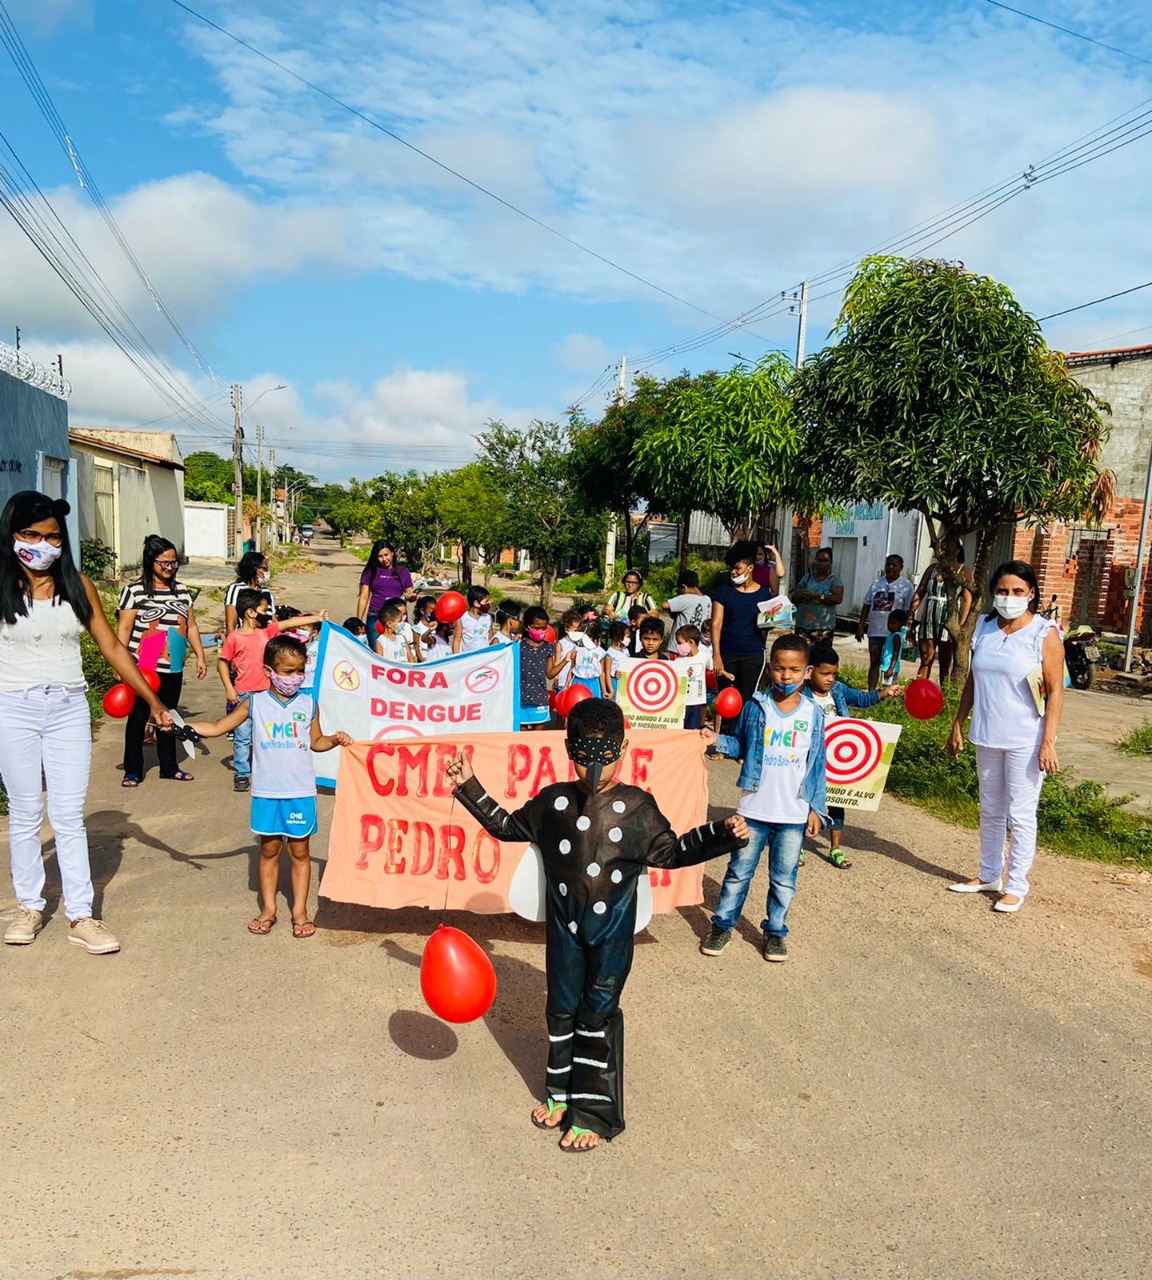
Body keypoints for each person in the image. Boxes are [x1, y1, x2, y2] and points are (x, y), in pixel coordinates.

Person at [446, 697, 747, 1150]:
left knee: (597, 1014)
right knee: (561, 1008)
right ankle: (559, 1093)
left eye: (605, 756)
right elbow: (509, 827)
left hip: (612, 935)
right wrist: (469, 786)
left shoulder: (638, 807)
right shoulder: (554, 802)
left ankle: (592, 1110)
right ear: (569, 749)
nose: (595, 767)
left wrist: (721, 833)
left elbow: (671, 853)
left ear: (623, 748)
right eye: (585, 755)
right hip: (564, 929)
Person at [0, 493, 173, 953]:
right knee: (24, 813)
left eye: (52, 536)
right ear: (12, 534)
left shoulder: (77, 585)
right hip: (12, 707)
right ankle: (29, 908)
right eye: (31, 535)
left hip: (67, 710)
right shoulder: (0, 586)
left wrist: (152, 700)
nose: (43, 544)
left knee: (67, 816)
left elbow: (114, 649)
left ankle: (82, 916)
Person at [188, 634, 352, 937]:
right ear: (268, 671)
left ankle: (300, 913)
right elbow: (215, 728)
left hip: (301, 793)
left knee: (300, 853)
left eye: (300, 671)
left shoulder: (309, 703)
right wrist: (182, 726)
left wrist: (334, 740)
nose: (295, 678)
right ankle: (268, 910)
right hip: (267, 794)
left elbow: (315, 741)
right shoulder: (254, 703)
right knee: (269, 851)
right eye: (288, 672)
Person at [701, 633, 828, 962]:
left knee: (784, 879)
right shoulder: (757, 707)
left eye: (795, 670)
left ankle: (774, 932)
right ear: (770, 668)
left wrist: (816, 808)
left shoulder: (814, 715)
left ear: (808, 670)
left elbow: (817, 766)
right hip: (753, 809)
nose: (787, 677)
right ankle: (723, 925)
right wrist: (715, 739)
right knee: (738, 871)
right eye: (780, 669)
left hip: (793, 814)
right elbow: (740, 746)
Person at [946, 561, 1064, 914]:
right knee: (991, 809)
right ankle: (988, 874)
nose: (1009, 598)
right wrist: (958, 723)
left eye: (1016, 592)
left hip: (1026, 739)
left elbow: (1056, 691)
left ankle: (1016, 885)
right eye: (1002, 591)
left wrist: (1048, 741)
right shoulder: (984, 627)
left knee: (1021, 813)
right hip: (987, 733)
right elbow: (973, 681)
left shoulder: (1044, 633)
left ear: (1030, 594)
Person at [117, 535, 208, 786]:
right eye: (164, 563)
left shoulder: (183, 592)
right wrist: (119, 663)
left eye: (173, 563)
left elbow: (191, 626)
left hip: (173, 662)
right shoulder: (134, 591)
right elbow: (124, 628)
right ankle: (133, 770)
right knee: (139, 717)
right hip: (143, 663)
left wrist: (200, 655)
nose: (169, 568)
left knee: (169, 715)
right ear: (150, 562)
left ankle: (169, 766)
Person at [219, 591, 328, 792]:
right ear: (250, 613)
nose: (267, 614)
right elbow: (223, 663)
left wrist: (317, 618)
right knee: (242, 736)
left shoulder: (266, 632)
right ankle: (242, 773)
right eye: (264, 610)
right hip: (243, 693)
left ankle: (270, 769)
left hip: (266, 694)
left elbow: (289, 623)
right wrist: (229, 688)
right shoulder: (234, 638)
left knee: (269, 735)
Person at [806, 643, 901, 868]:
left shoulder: (838, 690)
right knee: (806, 801)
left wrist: (884, 692)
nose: (830, 679)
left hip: (838, 759)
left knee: (837, 803)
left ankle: (835, 848)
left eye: (833, 674)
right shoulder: (801, 695)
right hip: (810, 758)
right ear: (810, 671)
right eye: (825, 673)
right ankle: (797, 846)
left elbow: (862, 699)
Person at [710, 541, 773, 731]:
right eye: (732, 568)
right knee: (727, 697)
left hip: (753, 654)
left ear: (750, 567)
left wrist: (776, 621)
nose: (734, 572)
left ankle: (743, 744)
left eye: (738, 567)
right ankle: (724, 741)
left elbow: (766, 627)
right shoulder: (723, 591)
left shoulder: (764, 594)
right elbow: (716, 624)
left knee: (747, 699)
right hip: (727, 653)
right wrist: (717, 655)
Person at [911, 550, 973, 682]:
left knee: (945, 663)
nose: (943, 551)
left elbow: (967, 600)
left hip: (948, 620)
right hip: (929, 619)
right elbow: (920, 592)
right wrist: (910, 614)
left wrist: (960, 624)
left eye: (947, 547)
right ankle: (919, 693)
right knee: (926, 658)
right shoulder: (932, 569)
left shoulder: (963, 571)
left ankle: (944, 696)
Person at [855, 554, 915, 691]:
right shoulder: (877, 583)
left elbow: (909, 610)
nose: (890, 567)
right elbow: (866, 604)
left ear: (901, 567)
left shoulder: (906, 586)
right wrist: (861, 625)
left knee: (891, 663)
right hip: (875, 630)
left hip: (893, 634)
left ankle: (888, 691)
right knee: (875, 661)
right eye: (888, 564)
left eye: (894, 565)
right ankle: (871, 692)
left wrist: (908, 629)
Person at [792, 547, 844, 645]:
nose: (821, 563)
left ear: (830, 563)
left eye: (825, 561)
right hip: (803, 626)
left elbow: (838, 598)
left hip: (823, 628)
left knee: (821, 658)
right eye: (819, 560)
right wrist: (800, 595)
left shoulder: (834, 580)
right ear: (815, 561)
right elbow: (794, 598)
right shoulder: (807, 578)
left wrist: (818, 596)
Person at [556, 608, 611, 699]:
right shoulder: (576, 649)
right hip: (577, 682)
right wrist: (566, 685)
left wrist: (604, 690)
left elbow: (602, 673)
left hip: (593, 684)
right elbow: (572, 669)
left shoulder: (600, 652)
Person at [356, 541, 415, 622]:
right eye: (380, 556)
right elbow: (364, 597)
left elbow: (410, 593)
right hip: (375, 617)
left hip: (398, 618)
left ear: (392, 553)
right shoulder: (370, 572)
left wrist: (412, 596)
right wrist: (358, 621)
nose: (384, 559)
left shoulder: (403, 571)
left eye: (386, 555)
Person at [518, 606, 553, 729]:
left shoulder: (548, 647)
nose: (541, 631)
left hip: (540, 698)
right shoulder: (518, 646)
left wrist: (566, 661)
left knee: (537, 737)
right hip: (520, 698)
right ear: (527, 627)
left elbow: (550, 674)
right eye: (537, 628)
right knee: (521, 736)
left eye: (544, 628)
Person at [223, 550, 273, 635]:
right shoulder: (236, 589)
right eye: (264, 568)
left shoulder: (266, 592)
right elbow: (231, 624)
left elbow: (272, 619)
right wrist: (231, 643)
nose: (267, 572)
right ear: (254, 569)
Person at [675, 624, 708, 730]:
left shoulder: (704, 656)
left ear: (691, 642)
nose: (678, 646)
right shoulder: (678, 661)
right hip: (681, 702)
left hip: (696, 702)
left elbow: (713, 669)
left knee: (693, 729)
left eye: (680, 643)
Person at [662, 570, 711, 636]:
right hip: (696, 642)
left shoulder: (685, 598)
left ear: (684, 587)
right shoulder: (707, 600)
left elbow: (665, 605)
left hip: (678, 643)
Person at [453, 586, 495, 653]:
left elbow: (491, 638)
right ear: (476, 603)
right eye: (485, 602)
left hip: (484, 658)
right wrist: (456, 660)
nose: (488, 604)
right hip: (468, 659)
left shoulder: (488, 618)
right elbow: (456, 641)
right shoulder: (462, 618)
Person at [879, 608, 909, 687]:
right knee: (887, 687)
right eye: (889, 623)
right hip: (887, 666)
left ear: (901, 624)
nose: (890, 625)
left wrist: (891, 668)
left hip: (889, 667)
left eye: (893, 623)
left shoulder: (896, 636)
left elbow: (896, 653)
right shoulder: (891, 635)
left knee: (888, 688)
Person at [602, 620, 630, 700]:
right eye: (627, 636)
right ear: (618, 637)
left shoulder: (625, 650)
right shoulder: (610, 654)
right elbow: (607, 674)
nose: (628, 639)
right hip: (615, 683)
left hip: (624, 681)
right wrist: (611, 691)